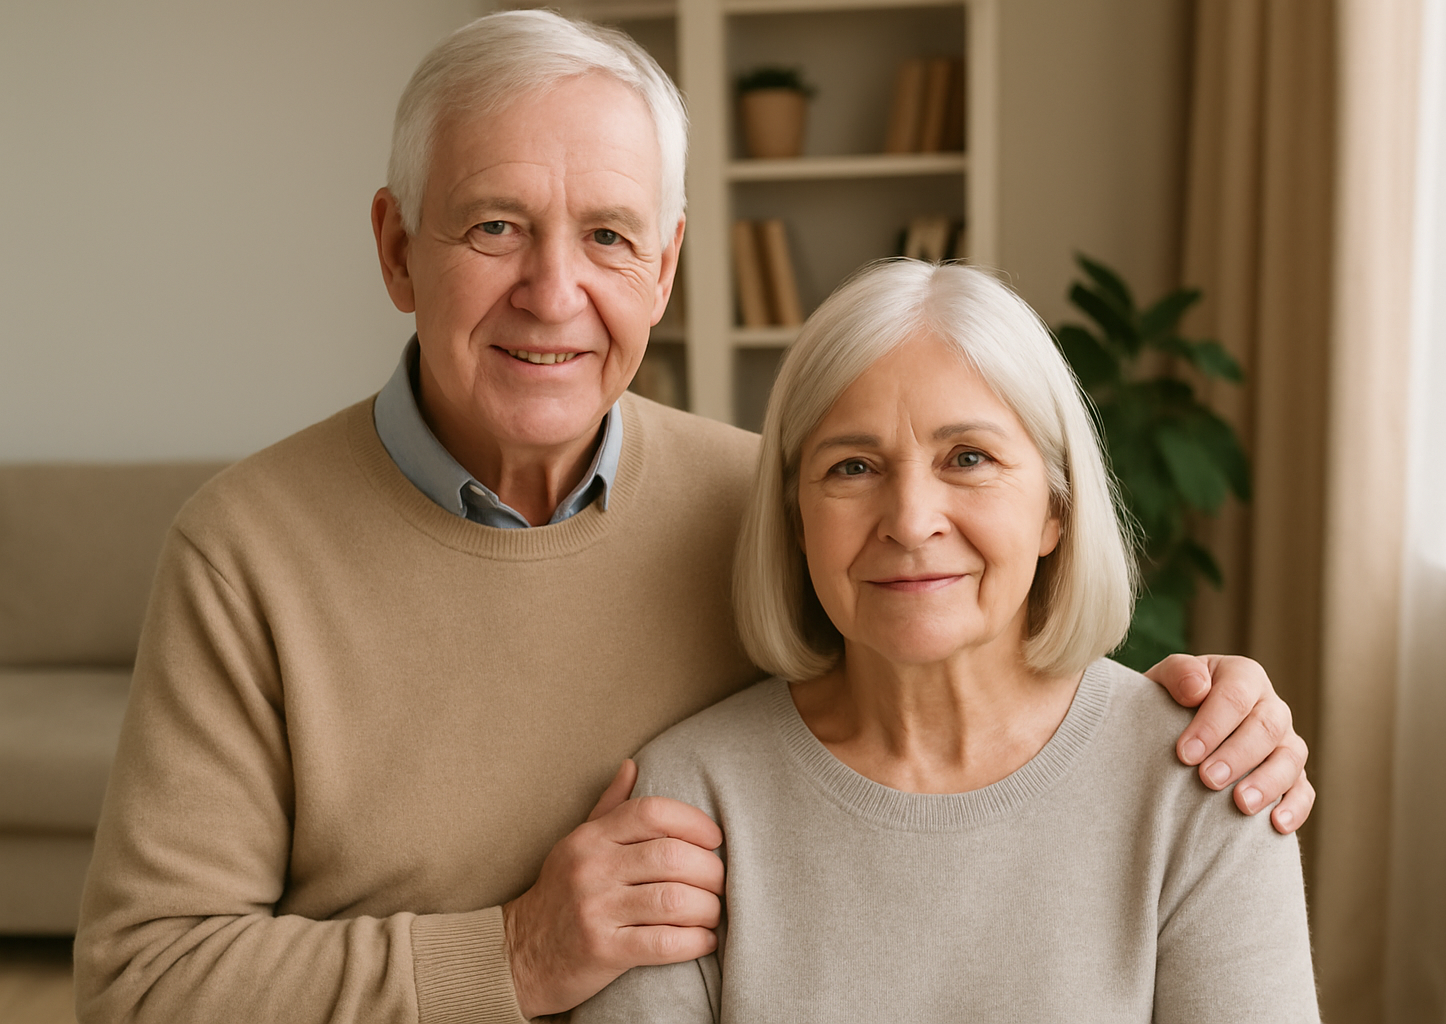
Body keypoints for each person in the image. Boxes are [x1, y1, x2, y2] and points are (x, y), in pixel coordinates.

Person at [74, 12, 1313, 1024]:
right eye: (495, 225)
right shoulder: (244, 553)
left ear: (663, 269)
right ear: (399, 250)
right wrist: (509, 956)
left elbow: (973, 703)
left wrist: (1210, 710)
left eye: (607, 236)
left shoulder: (779, 509)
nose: (553, 291)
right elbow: (138, 981)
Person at [570, 260, 1320, 1022]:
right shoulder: (689, 801)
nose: (910, 519)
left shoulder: (1205, 777)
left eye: (969, 458)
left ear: (1055, 509)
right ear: (797, 523)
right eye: (852, 467)